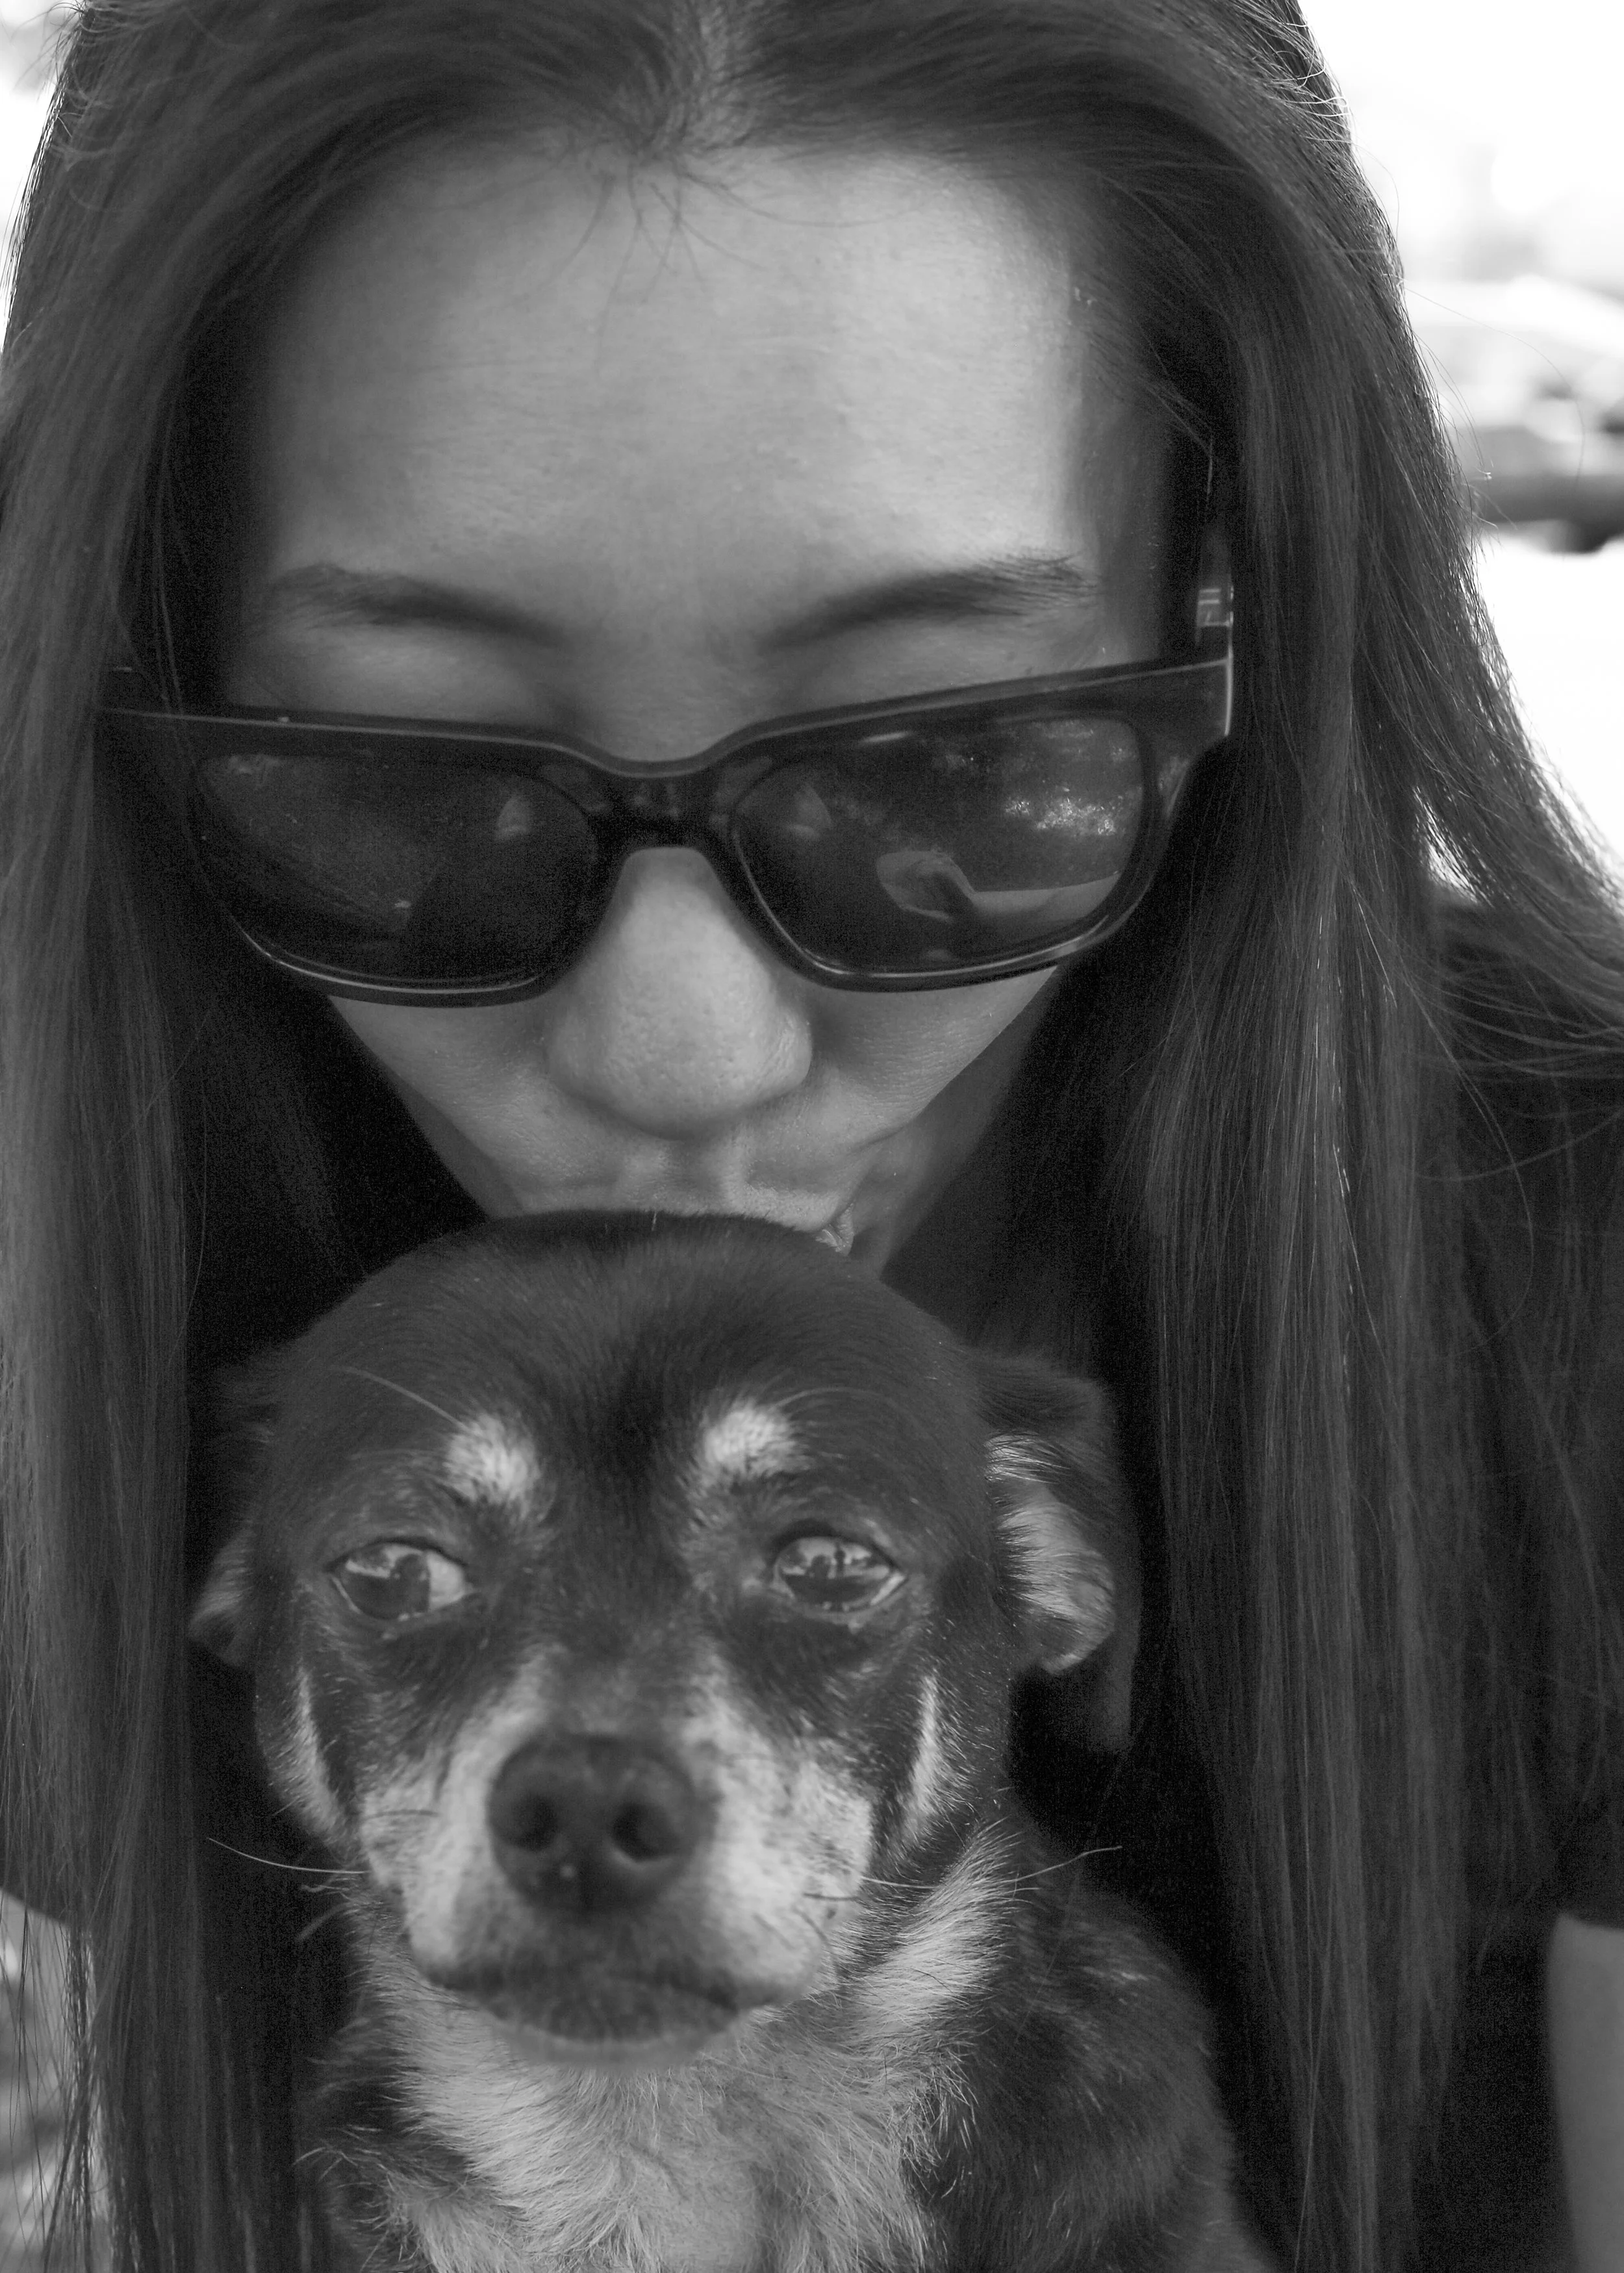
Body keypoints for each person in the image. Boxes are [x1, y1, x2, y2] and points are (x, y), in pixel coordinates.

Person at [0, 0, 1619, 2267]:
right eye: (409, 782)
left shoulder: (1579, 1260)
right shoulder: (51, 1331)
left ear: (1223, 616)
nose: (680, 1056)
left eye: (937, 774)